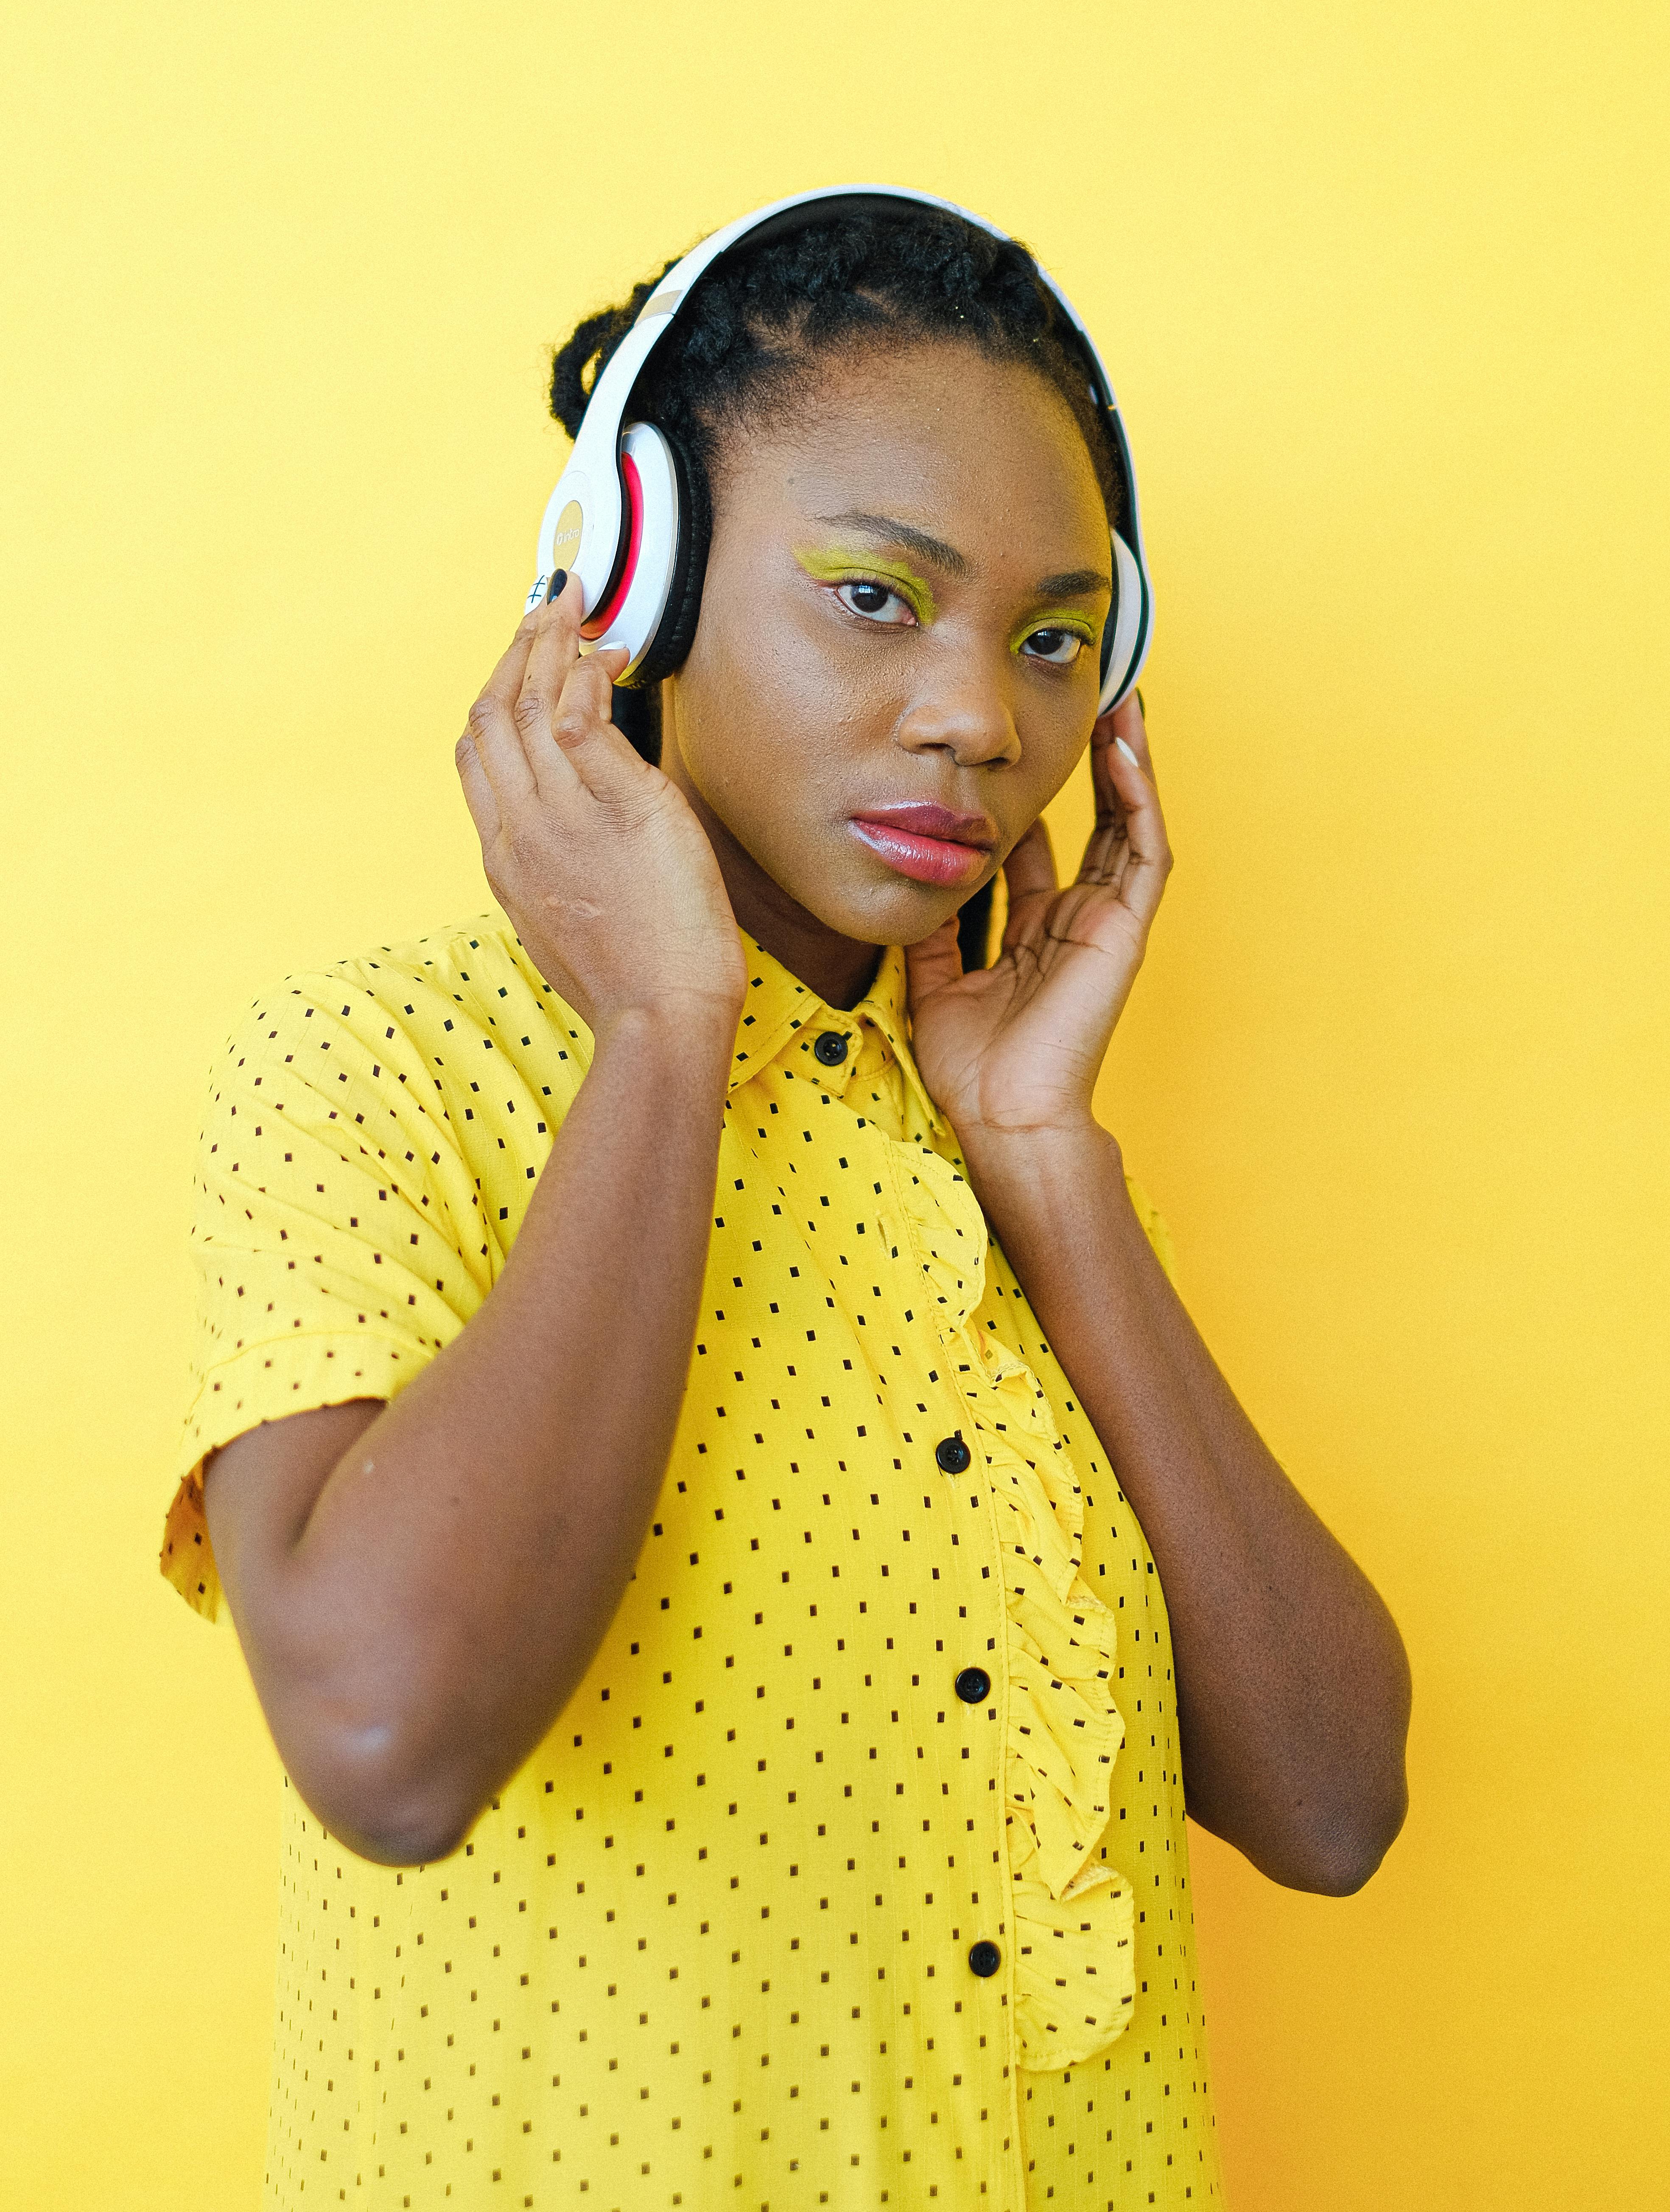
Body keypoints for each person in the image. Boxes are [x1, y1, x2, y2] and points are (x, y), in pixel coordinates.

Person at [162, 192, 1410, 2210]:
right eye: (871, 598)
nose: (981, 720)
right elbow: (387, 1747)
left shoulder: (1003, 1155)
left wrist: (1042, 1165)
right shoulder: (378, 1070)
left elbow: (1334, 1798)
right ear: (627, 592)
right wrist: (665, 1031)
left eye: (1053, 639)